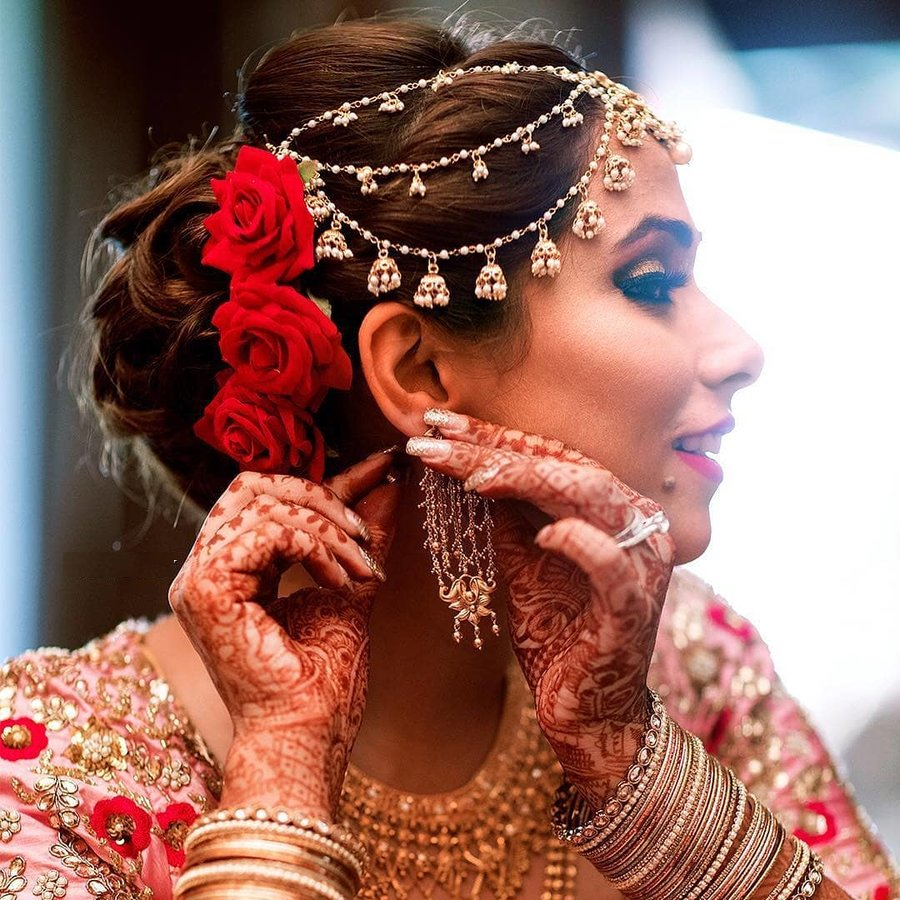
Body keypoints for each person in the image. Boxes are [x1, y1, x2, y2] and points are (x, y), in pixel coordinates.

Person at [0, 16, 896, 900]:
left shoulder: (684, 663)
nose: (740, 349)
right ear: (421, 371)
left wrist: (637, 776)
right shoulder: (50, 769)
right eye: (652, 283)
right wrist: (280, 767)